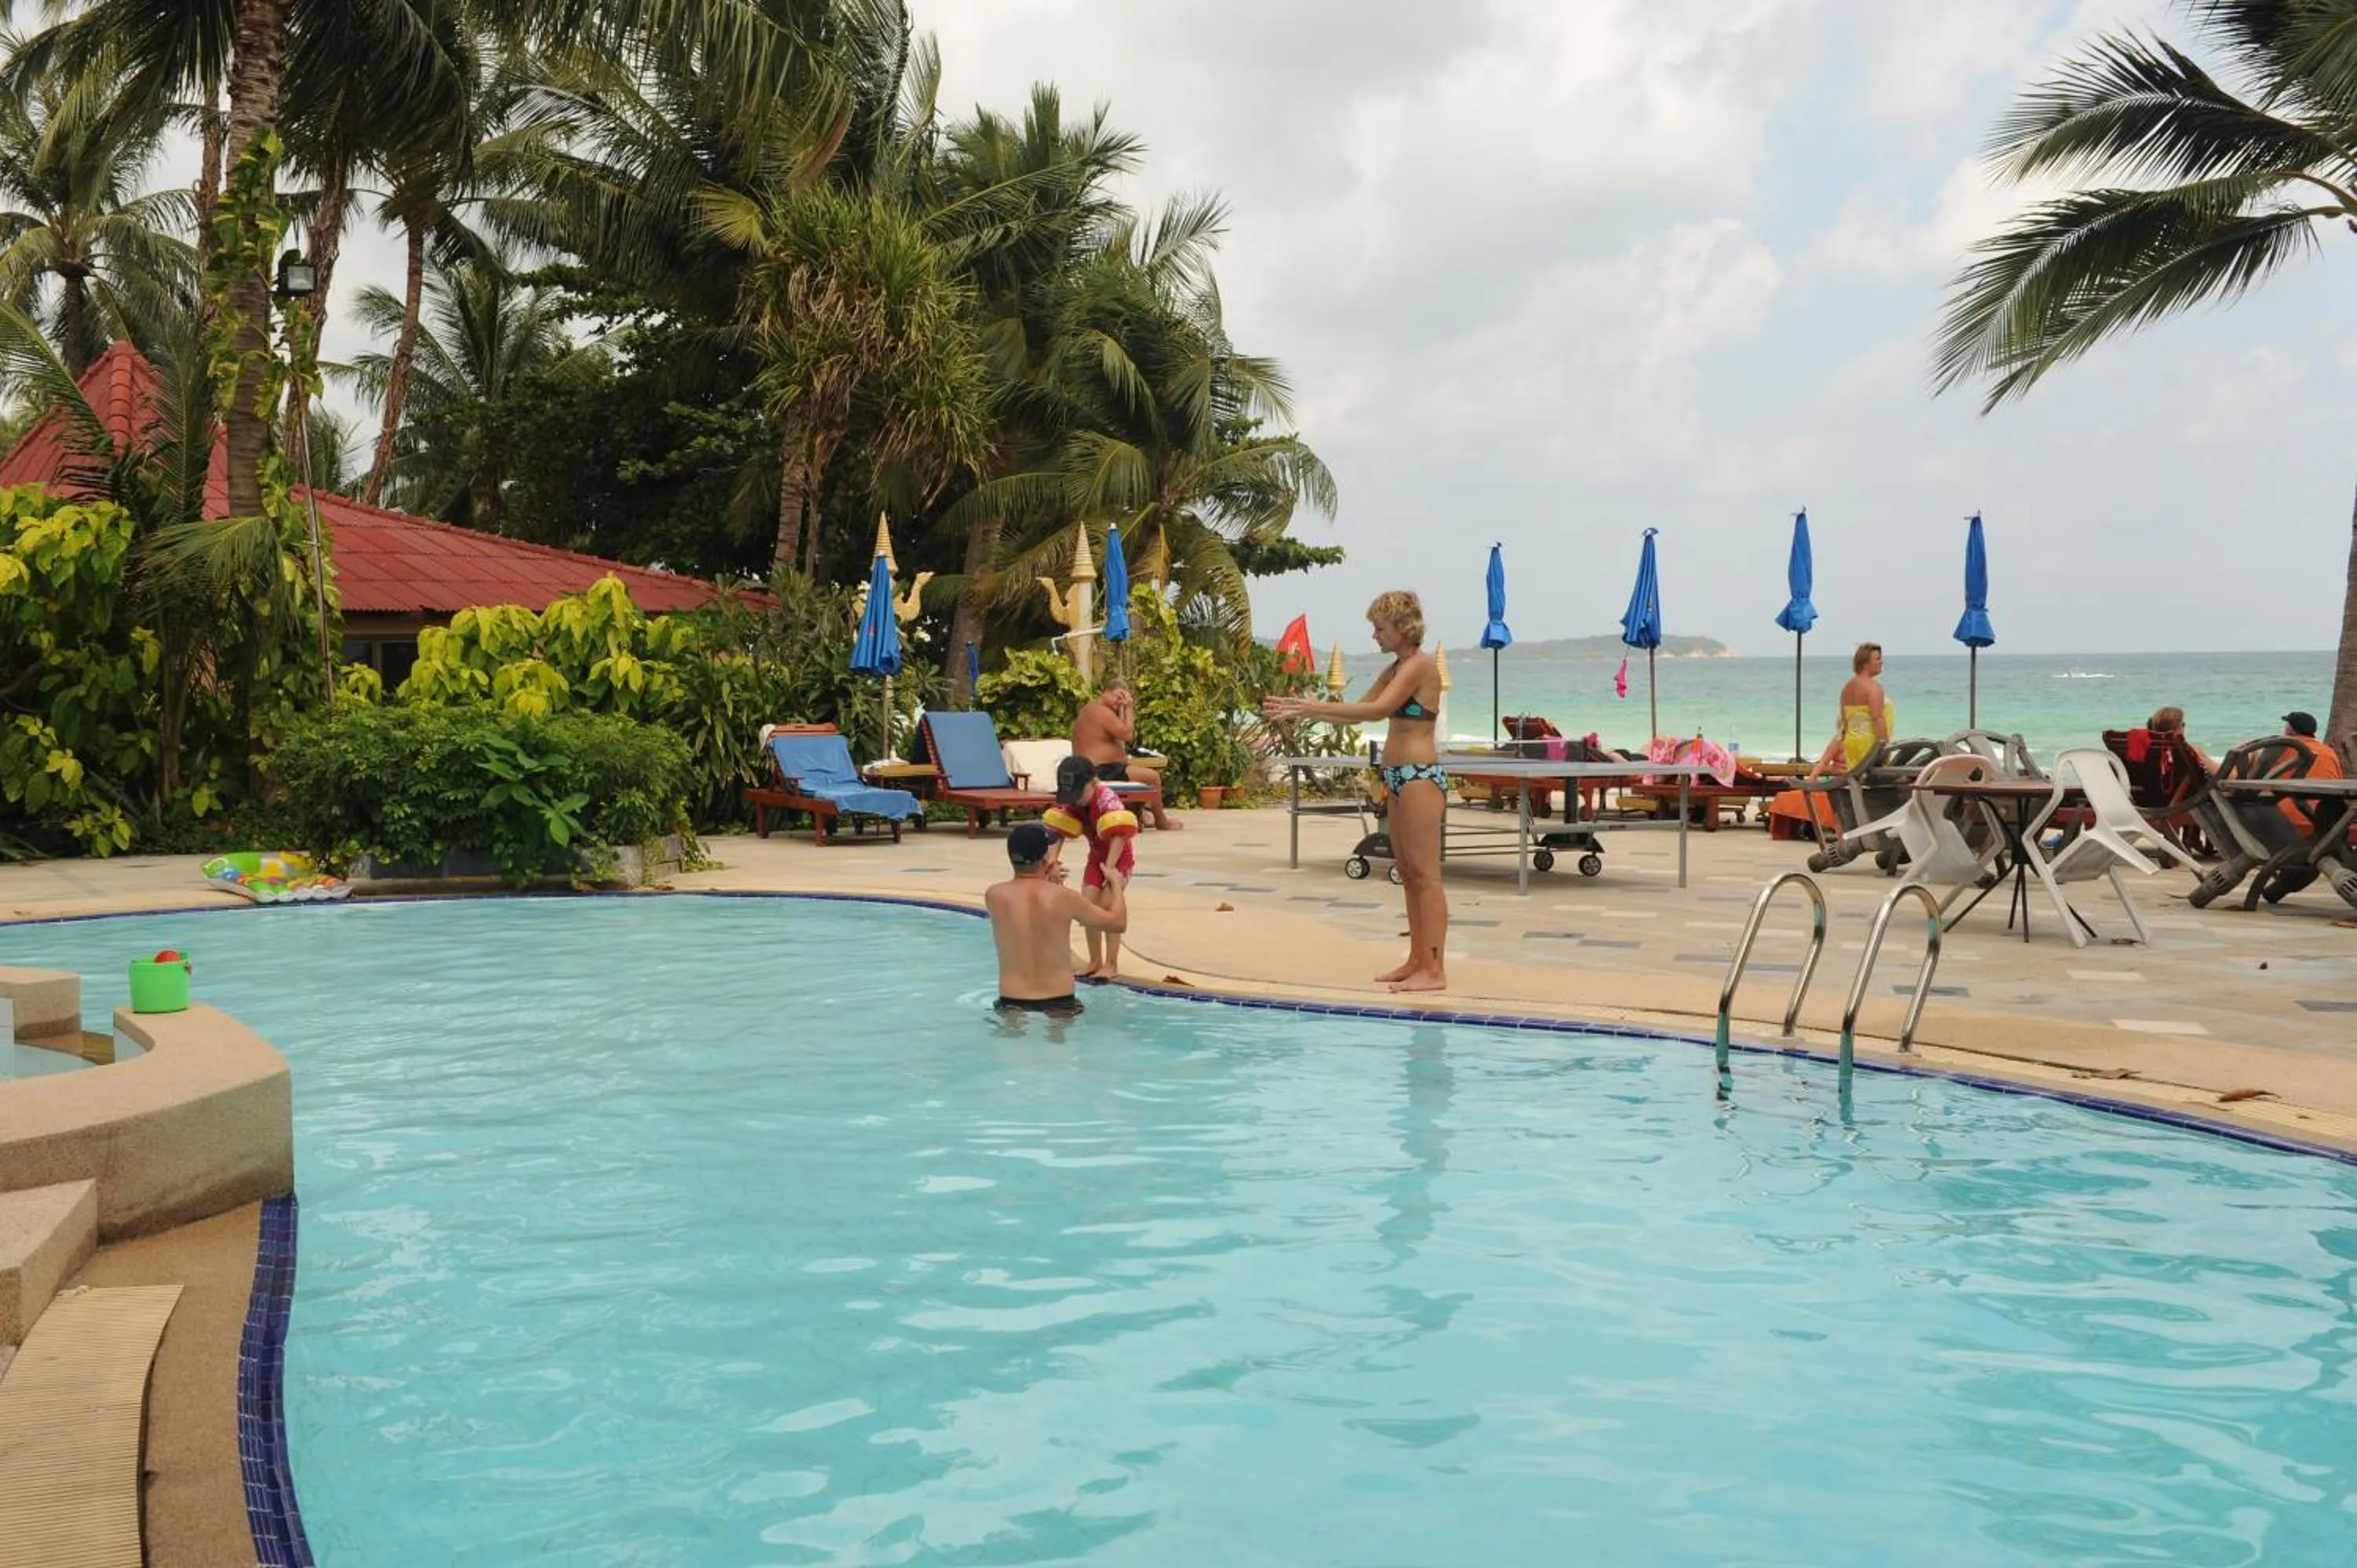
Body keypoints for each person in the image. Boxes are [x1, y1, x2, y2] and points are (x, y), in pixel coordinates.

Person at [1263, 589, 1449, 993]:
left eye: (1379, 628)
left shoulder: (1420, 667)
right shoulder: (1396, 669)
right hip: (1397, 777)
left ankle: (1434, 970)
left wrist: (1312, 709)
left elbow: (1380, 711)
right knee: (1407, 873)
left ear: (1402, 628)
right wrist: (1304, 709)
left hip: (1419, 776)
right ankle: (1415, 960)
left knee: (1426, 875)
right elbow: (1358, 715)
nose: (1374, 636)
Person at [985, 822, 1126, 1017]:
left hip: (1012, 1001)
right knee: (1059, 1044)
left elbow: (1029, 898)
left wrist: (1046, 877)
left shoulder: (994, 895)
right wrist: (1115, 883)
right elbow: (1118, 923)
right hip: (1060, 1002)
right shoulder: (1063, 897)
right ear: (1045, 859)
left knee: (1012, 1044)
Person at [1046, 754, 1141, 978]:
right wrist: (1051, 861)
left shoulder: (1107, 800)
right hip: (1096, 857)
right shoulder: (1072, 801)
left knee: (1108, 907)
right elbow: (1058, 831)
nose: (1075, 800)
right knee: (1088, 906)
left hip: (1119, 858)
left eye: (1079, 794)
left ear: (1093, 782)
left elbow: (1119, 835)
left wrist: (1110, 871)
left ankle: (1111, 963)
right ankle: (1095, 961)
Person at [1072, 681, 1178, 830]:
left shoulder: (1091, 709)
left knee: (1139, 775)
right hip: (1100, 770)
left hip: (1103, 768)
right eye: (1118, 696)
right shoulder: (1101, 711)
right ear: (1105, 692)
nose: (1120, 702)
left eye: (1124, 699)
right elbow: (1127, 735)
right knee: (1153, 778)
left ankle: (1143, 814)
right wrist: (1129, 708)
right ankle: (1162, 822)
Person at [1806, 642, 1892, 779]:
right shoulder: (1874, 688)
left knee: (1855, 782)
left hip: (1851, 743)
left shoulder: (1847, 688)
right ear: (1865, 663)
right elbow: (1877, 718)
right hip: (1868, 743)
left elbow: (1845, 723)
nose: (1881, 662)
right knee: (1873, 782)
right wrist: (1885, 746)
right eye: (1877, 659)